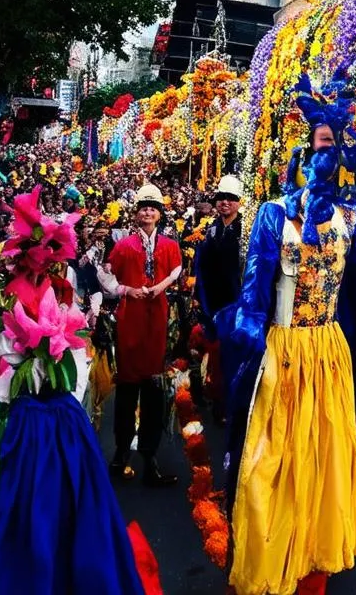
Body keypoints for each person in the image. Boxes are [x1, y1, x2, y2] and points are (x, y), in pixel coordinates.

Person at [220, 79, 356, 595]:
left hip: (328, 355)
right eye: (321, 142)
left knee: (322, 469)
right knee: (265, 469)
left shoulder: (354, 219)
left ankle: (312, 567)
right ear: (304, 148)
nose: (329, 152)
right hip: (284, 353)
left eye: (337, 145)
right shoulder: (274, 214)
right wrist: (245, 342)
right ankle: (268, 564)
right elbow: (253, 294)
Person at [102, 184, 182, 487]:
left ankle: (150, 455)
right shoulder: (123, 246)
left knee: (154, 389)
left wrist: (159, 288)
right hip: (131, 319)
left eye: (152, 208)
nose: (147, 212)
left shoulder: (169, 245)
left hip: (157, 319)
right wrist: (127, 290)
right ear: (136, 214)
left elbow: (176, 270)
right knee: (127, 388)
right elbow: (105, 274)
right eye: (143, 208)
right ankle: (121, 451)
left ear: (159, 214)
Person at [192, 175, 243, 419]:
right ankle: (218, 401)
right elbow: (200, 266)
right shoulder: (210, 230)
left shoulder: (246, 230)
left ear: (239, 203)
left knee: (234, 355)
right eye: (221, 198)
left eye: (230, 199)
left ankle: (233, 403)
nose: (225, 203)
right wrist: (199, 297)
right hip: (213, 302)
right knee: (215, 355)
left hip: (237, 303)